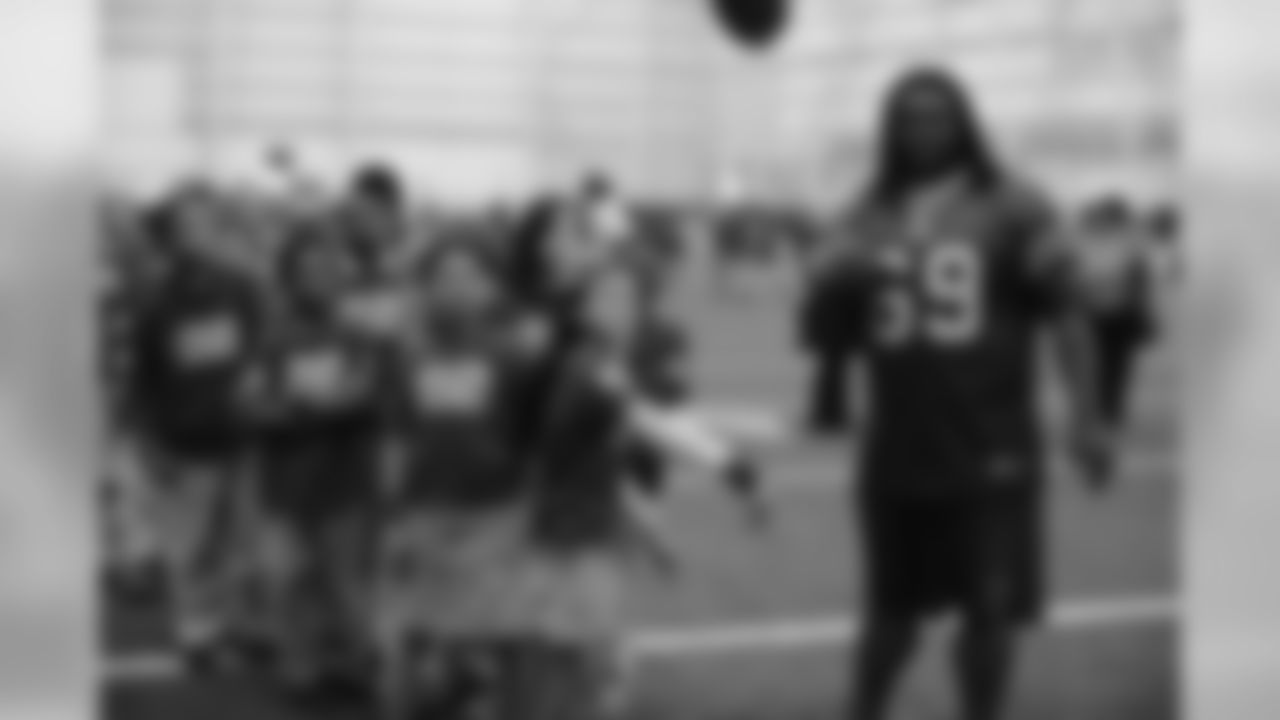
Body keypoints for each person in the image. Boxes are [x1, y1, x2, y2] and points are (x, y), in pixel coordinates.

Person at [828, 67, 1113, 720]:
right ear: (889, 129)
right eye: (907, 117)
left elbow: (1068, 315)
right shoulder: (865, 212)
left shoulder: (1017, 206)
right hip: (897, 450)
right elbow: (825, 319)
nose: (922, 129)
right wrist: (829, 278)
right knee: (889, 615)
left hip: (992, 449)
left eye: (937, 115)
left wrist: (1087, 418)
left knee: (990, 611)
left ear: (965, 123)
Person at [249, 217, 387, 699]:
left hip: (345, 483)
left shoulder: (360, 334)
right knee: (288, 580)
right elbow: (248, 402)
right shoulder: (269, 336)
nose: (321, 277)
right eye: (308, 268)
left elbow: (369, 394)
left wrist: (308, 406)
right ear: (289, 275)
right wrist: (298, 408)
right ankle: (301, 669)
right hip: (283, 484)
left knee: (346, 582)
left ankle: (363, 666)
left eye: (330, 268)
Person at [1076, 197, 1159, 432]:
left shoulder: (1126, 242)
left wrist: (1143, 311)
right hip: (1098, 312)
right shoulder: (1092, 241)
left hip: (1114, 313)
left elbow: (1140, 280)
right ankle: (1105, 413)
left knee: (1112, 365)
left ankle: (1108, 413)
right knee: (1106, 366)